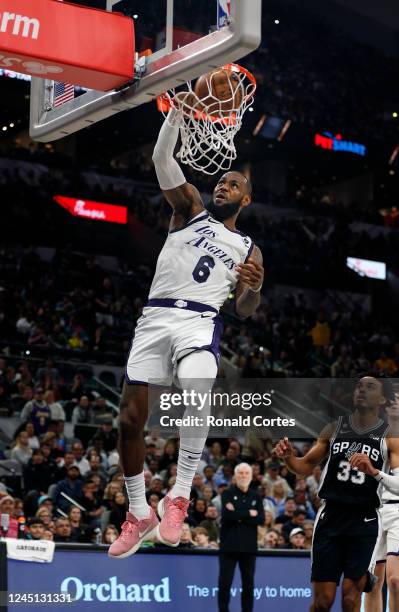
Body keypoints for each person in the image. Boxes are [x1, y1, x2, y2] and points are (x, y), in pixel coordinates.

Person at [109, 99, 264, 559]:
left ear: (246, 198)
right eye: (221, 181)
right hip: (155, 317)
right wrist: (177, 111)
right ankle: (140, 512)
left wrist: (252, 288)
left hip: (199, 320)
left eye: (233, 184)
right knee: (128, 421)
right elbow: (162, 159)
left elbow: (245, 309)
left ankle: (178, 496)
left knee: (197, 385)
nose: (224, 186)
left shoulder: (249, 247)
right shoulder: (189, 210)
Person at [275, 375, 397, 612]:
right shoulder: (334, 428)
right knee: (322, 603)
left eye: (370, 387)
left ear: (382, 399)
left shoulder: (389, 436)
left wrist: (374, 472)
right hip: (331, 516)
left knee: (351, 600)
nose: (361, 390)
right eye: (359, 386)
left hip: (365, 520)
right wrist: (289, 457)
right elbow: (304, 466)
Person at [361, 393, 399, 612]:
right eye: (391, 398)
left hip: (398, 509)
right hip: (373, 511)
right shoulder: (373, 434)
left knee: (395, 581)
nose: (394, 401)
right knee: (371, 584)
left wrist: (375, 473)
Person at [218, 463, 265, 612]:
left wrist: (238, 513)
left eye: (246, 473)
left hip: (249, 548)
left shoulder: (256, 496)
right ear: (235, 476)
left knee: (248, 585)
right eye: (241, 473)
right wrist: (248, 513)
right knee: (225, 584)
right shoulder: (227, 493)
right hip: (228, 547)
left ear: (251, 476)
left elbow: (261, 519)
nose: (243, 476)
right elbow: (227, 515)